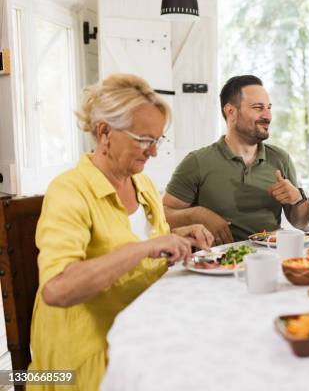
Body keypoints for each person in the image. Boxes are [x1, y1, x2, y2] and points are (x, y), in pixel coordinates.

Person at [29, 74, 214, 390]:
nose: (153, 152)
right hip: (89, 354)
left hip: (144, 329)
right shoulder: (69, 191)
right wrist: (144, 249)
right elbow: (57, 289)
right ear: (104, 132)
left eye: (157, 140)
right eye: (144, 139)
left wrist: (180, 235)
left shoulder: (141, 184)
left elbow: (144, 241)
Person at [163, 75, 309, 243]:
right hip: (218, 263)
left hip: (270, 258)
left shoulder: (280, 158)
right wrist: (197, 214)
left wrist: (298, 199)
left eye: (269, 108)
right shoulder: (197, 162)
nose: (268, 116)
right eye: (258, 108)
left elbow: (301, 223)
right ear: (231, 112)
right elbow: (162, 215)